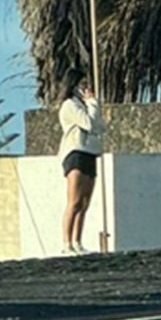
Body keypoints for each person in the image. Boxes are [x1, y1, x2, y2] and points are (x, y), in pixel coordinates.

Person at [57, 75, 104, 255]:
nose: (87, 88)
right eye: (83, 84)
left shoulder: (84, 106)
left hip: (89, 152)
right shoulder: (70, 105)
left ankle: (77, 241)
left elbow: (100, 126)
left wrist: (92, 106)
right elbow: (88, 124)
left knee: (84, 202)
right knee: (74, 201)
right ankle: (66, 243)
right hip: (75, 152)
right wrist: (92, 103)